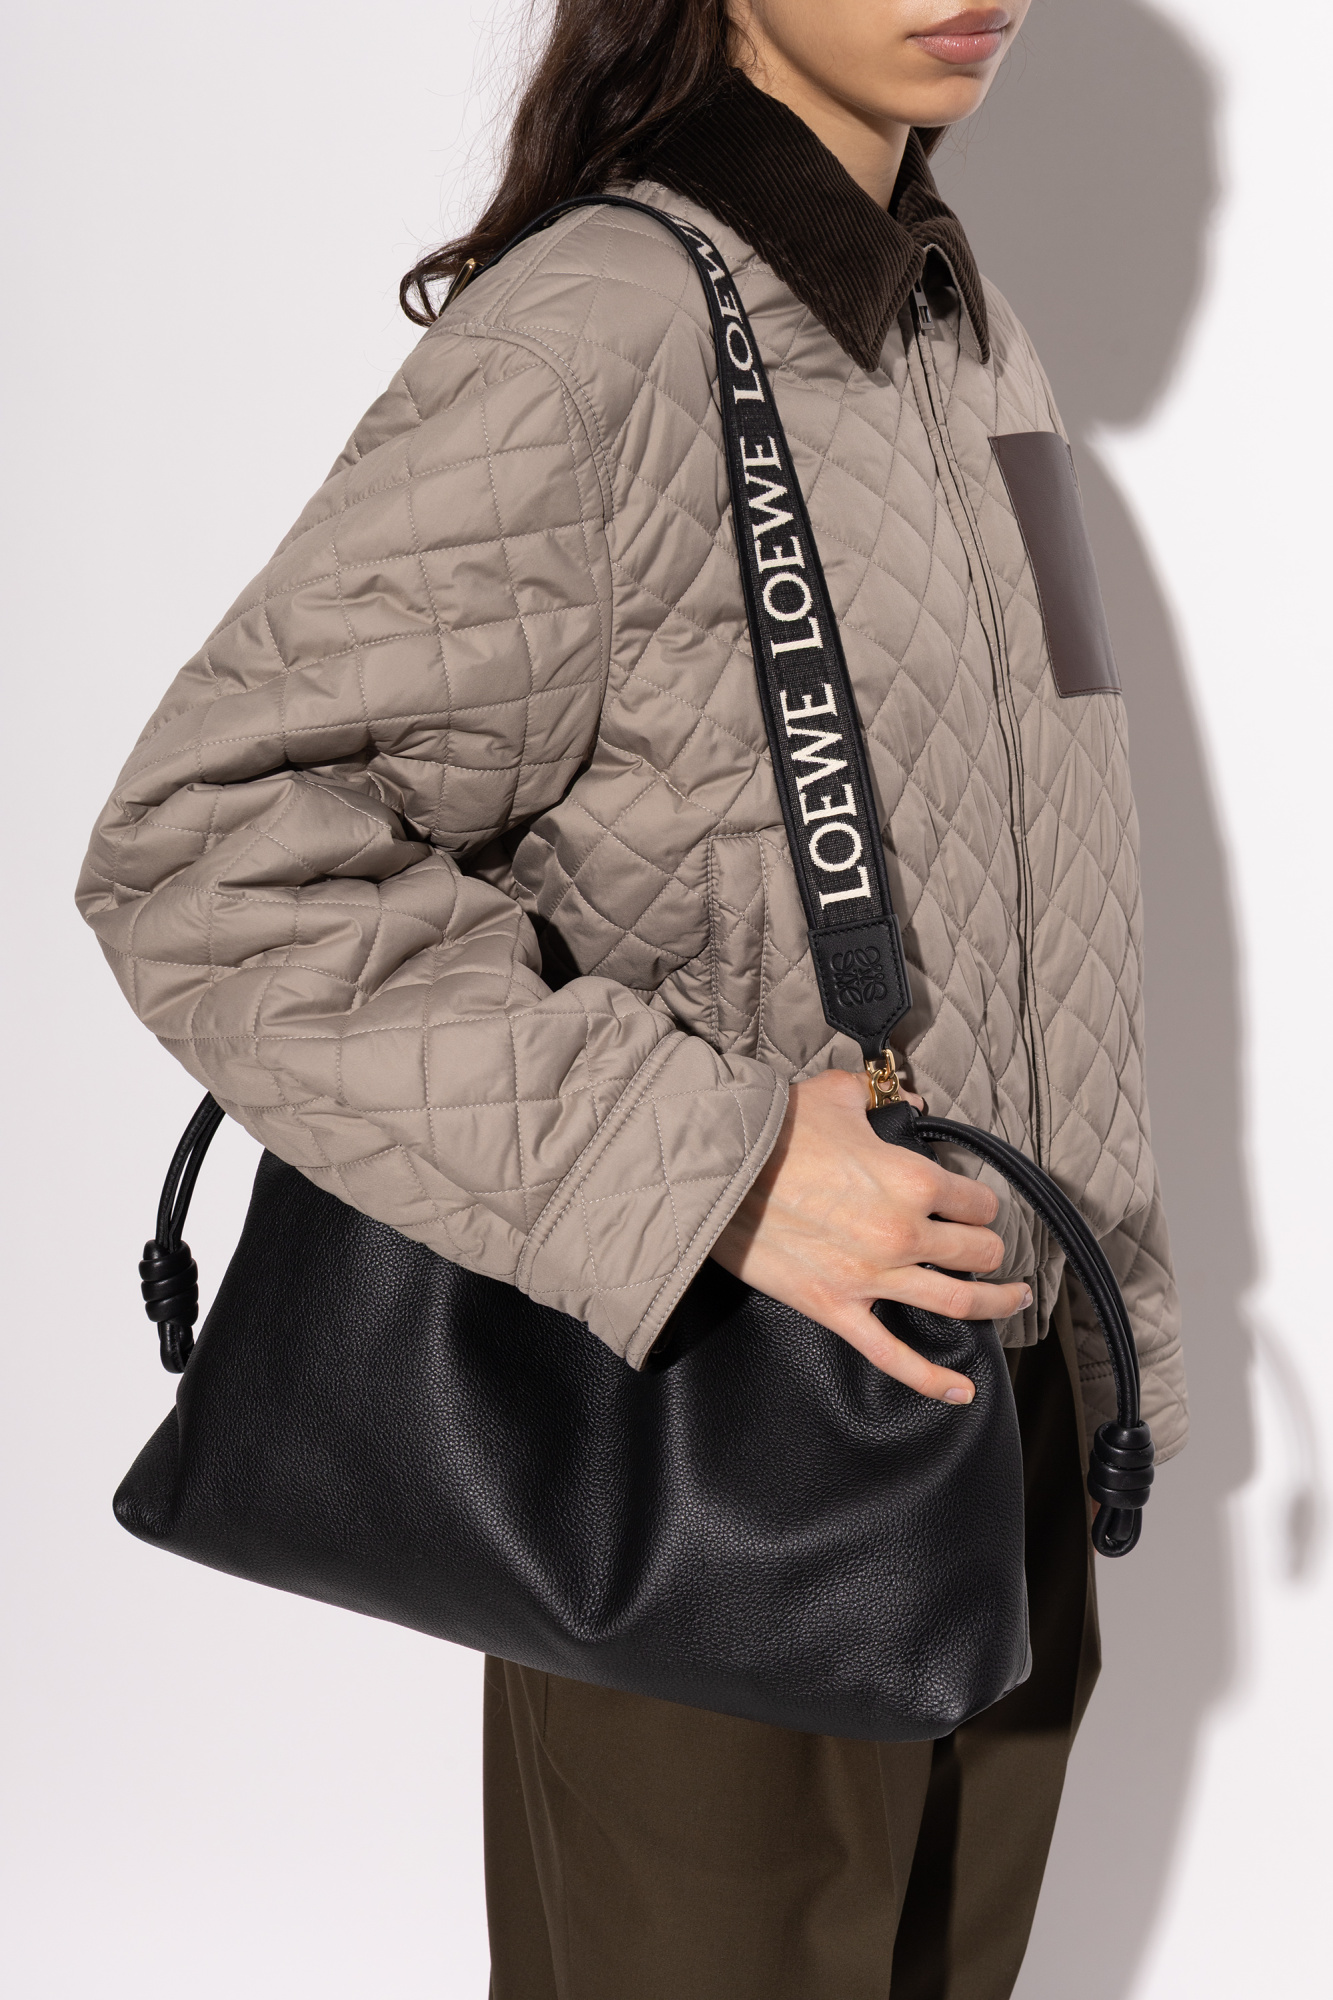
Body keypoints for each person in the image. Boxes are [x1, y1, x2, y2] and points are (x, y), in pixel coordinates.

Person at [77, 2, 1188, 1993]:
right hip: (719, 1460)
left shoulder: (967, 344)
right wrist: (725, 1168)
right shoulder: (600, 333)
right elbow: (205, 857)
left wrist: (1110, 1377)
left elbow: (1042, 894)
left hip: (994, 1441)